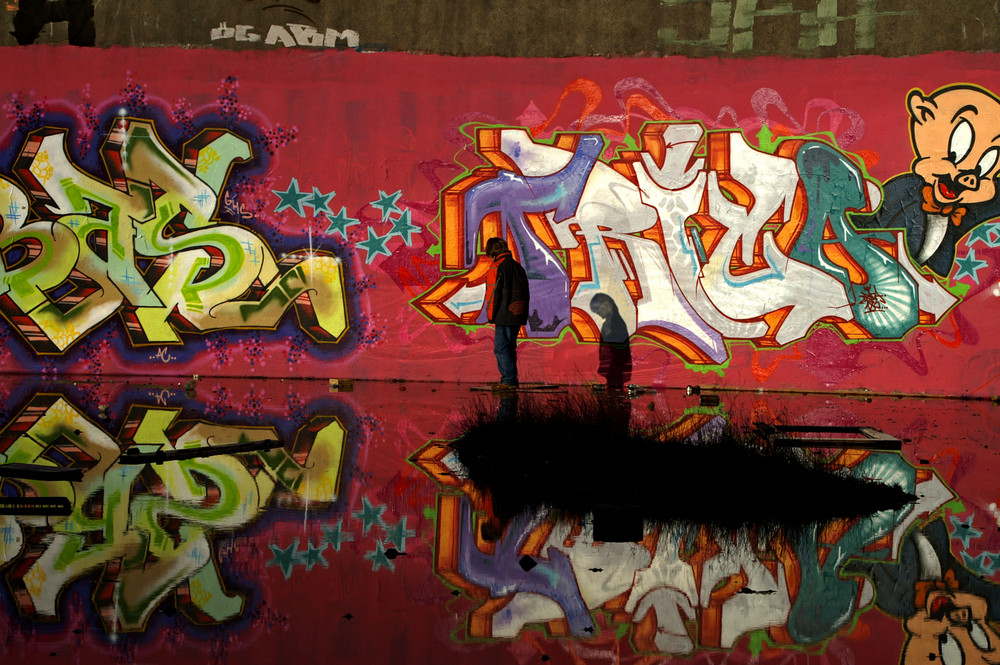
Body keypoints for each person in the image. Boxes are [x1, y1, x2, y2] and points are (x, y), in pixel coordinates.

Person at [484, 237, 529, 389]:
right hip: (518, 313)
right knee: (510, 348)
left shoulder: (496, 267)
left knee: (501, 348)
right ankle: (510, 379)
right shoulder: (518, 267)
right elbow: (526, 292)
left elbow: (492, 295)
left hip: (503, 315)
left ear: (493, 252)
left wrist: (490, 315)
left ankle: (508, 381)